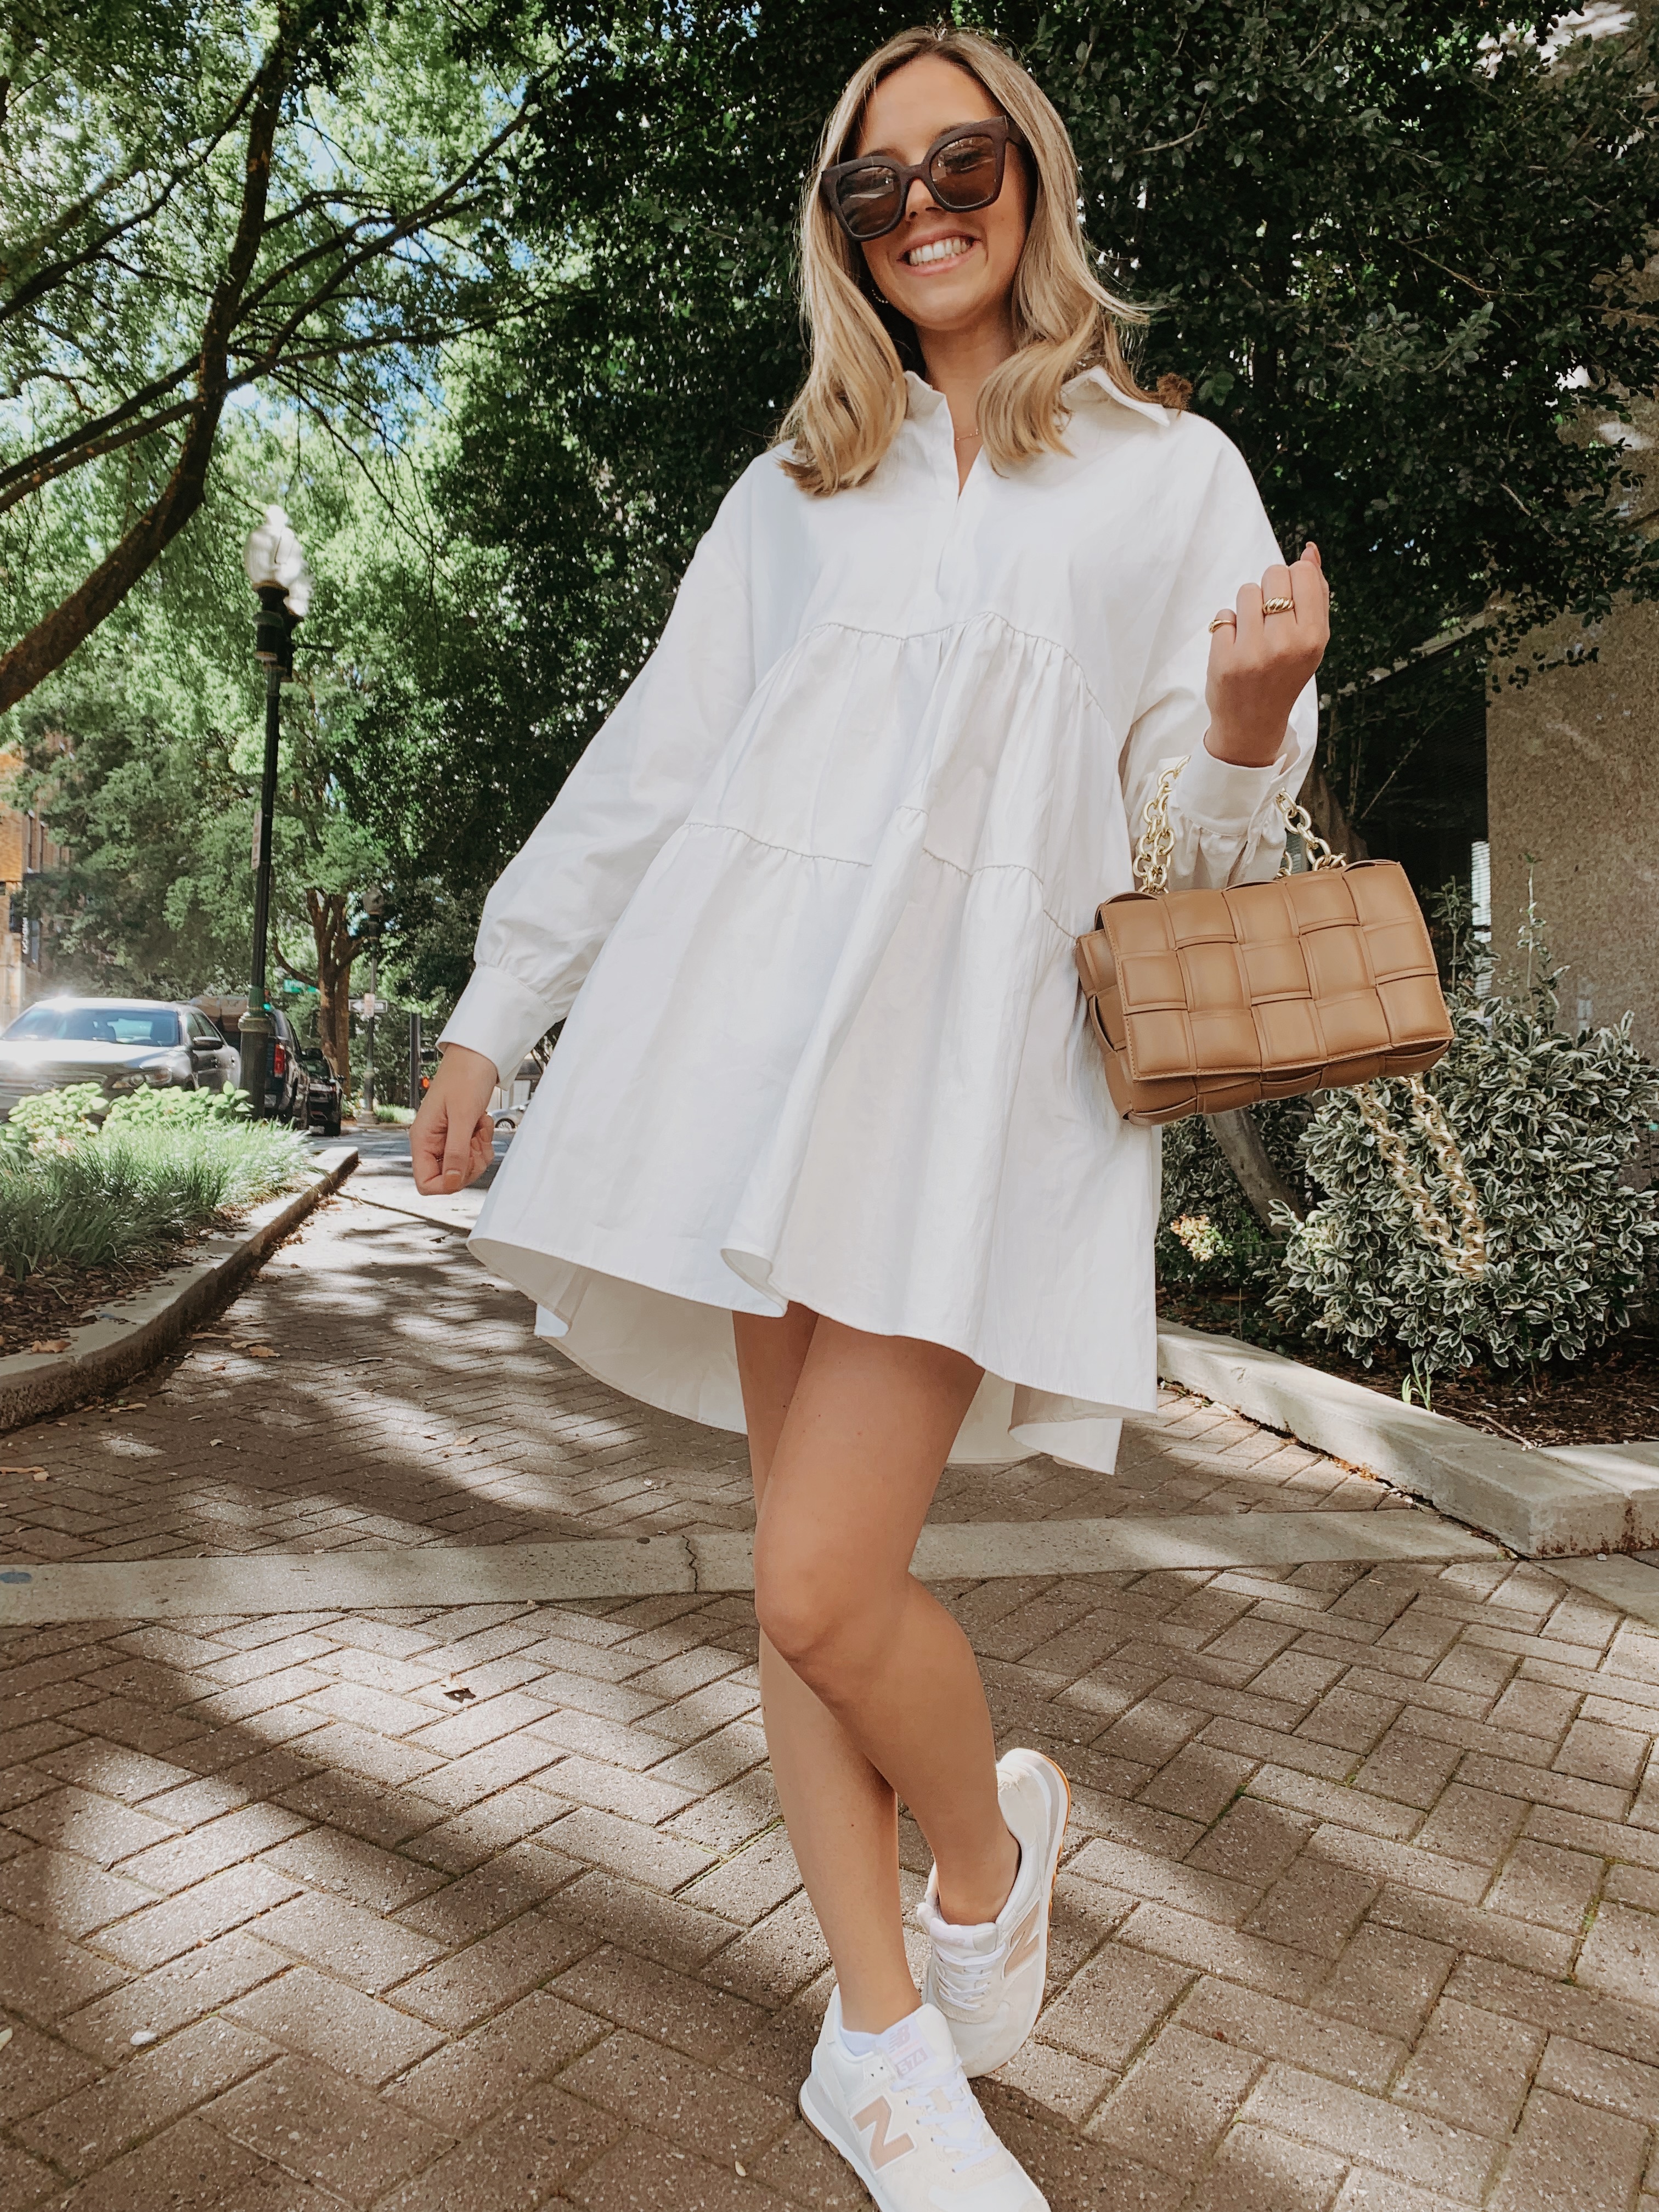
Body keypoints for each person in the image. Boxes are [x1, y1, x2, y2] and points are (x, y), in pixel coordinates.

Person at [411, 24, 1327, 2210]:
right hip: (749, 1063)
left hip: (976, 1086)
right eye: (871, 181)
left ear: (1034, 174)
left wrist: (1250, 719)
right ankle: (885, 2049)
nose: (920, 202)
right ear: (836, 226)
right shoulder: (796, 488)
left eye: (961, 159)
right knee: (807, 1591)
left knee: (829, 1589)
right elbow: (655, 764)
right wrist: (495, 1011)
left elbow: (1192, 858)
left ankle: (986, 1862)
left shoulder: (1160, 472)